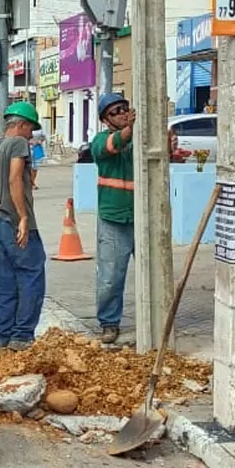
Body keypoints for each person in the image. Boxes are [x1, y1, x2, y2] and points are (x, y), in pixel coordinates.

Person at [0, 102, 46, 351]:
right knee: (31, 274)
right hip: (15, 222)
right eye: (31, 129)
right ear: (21, 125)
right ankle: (22, 336)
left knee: (7, 280)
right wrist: (23, 217)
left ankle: (4, 336)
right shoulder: (18, 144)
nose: (31, 135)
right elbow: (14, 178)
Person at [90, 93, 136, 345]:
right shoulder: (100, 141)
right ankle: (109, 322)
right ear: (106, 120)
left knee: (154, 271)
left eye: (123, 108)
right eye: (115, 112)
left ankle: (159, 319)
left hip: (142, 217)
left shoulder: (138, 138)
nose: (120, 113)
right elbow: (113, 145)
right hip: (113, 219)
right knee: (110, 277)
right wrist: (131, 128)